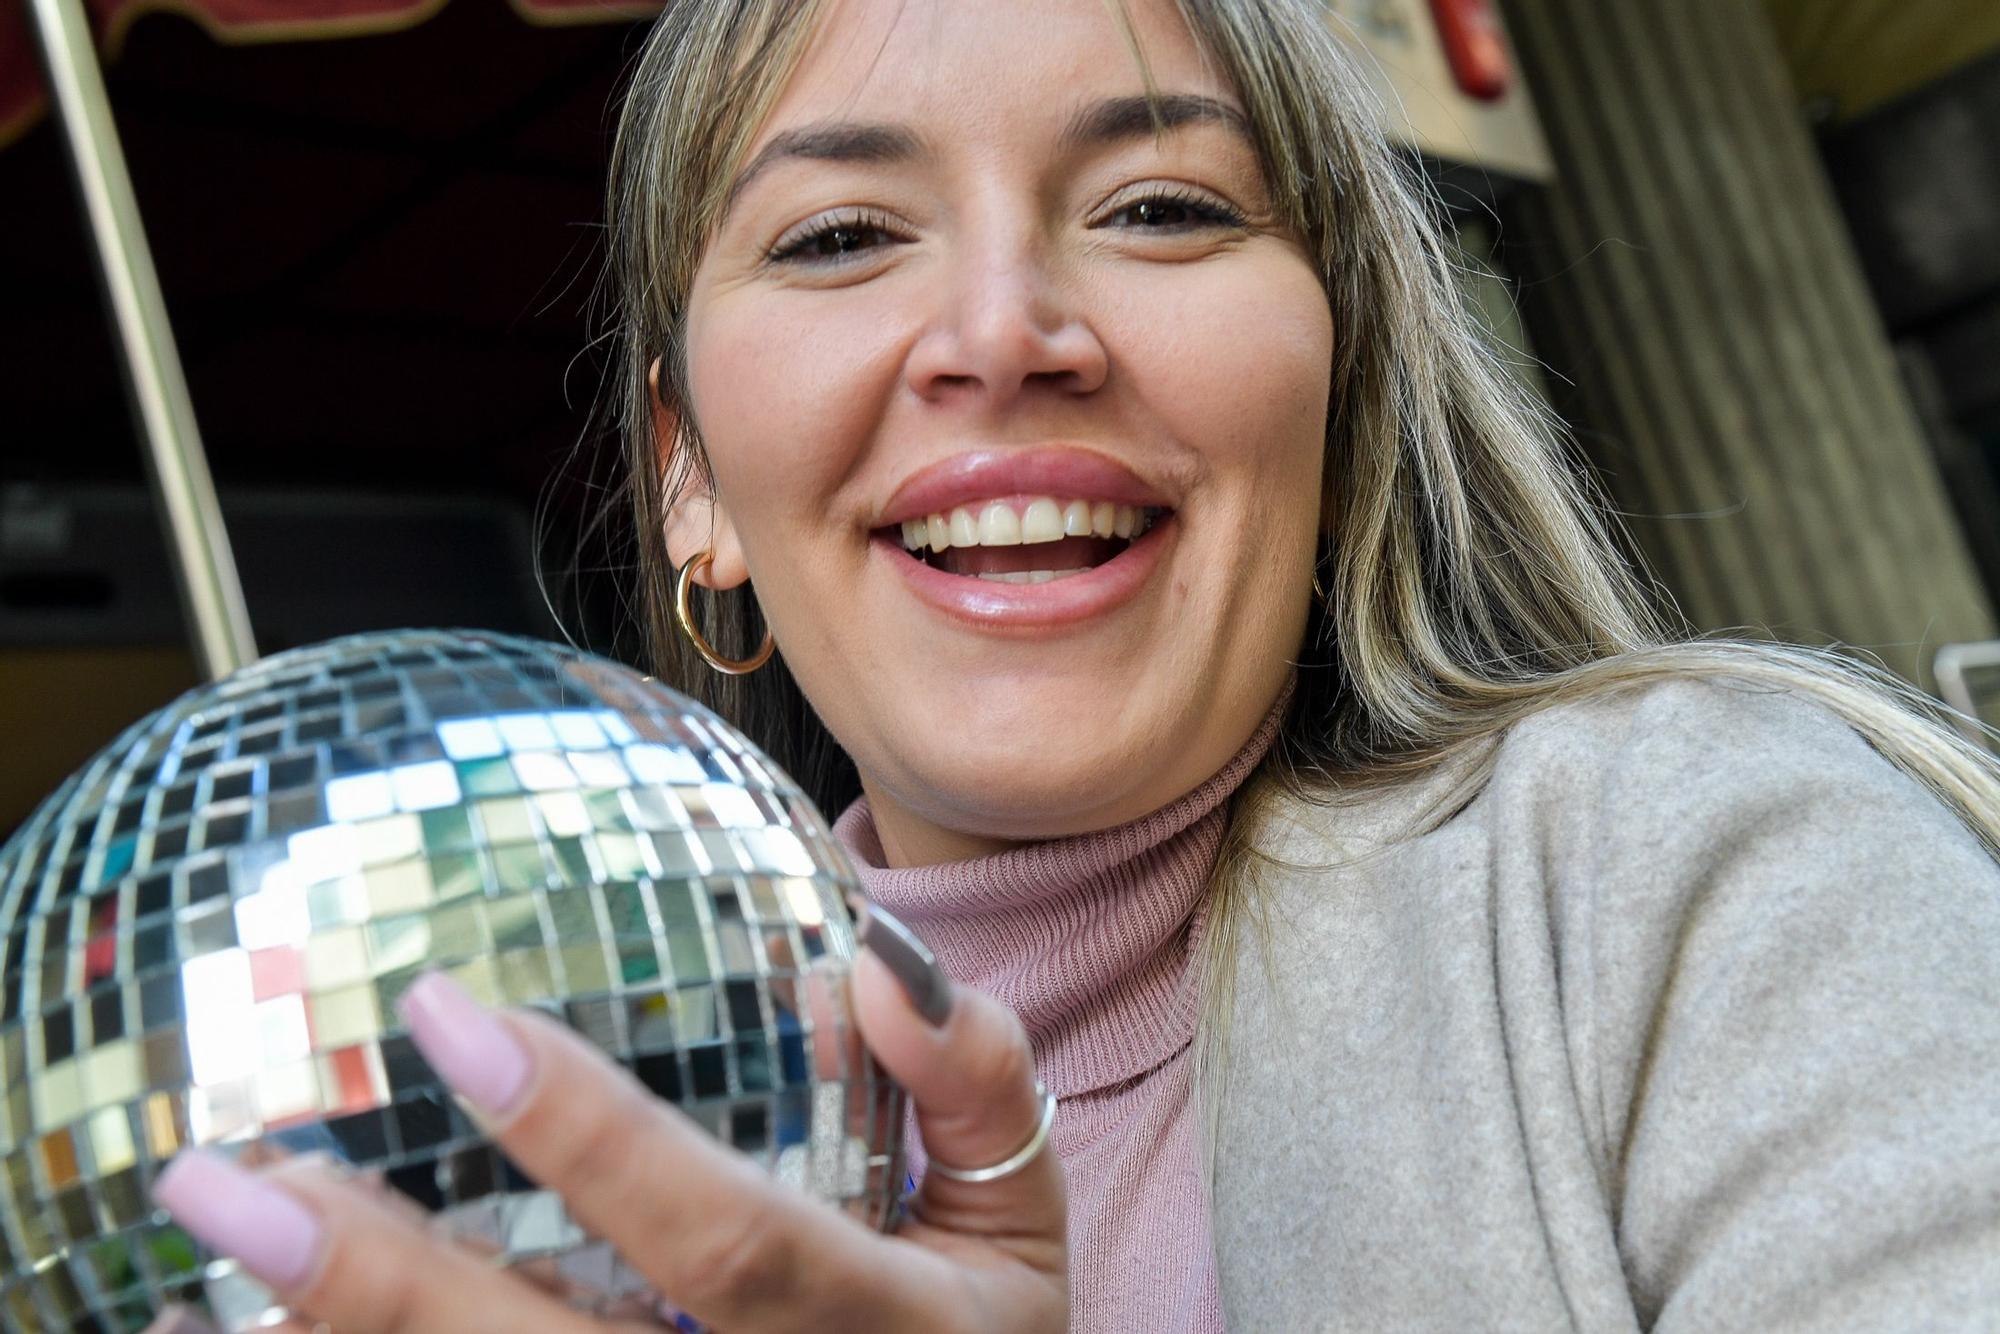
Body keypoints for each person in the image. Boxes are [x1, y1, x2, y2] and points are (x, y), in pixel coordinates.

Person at [146, 0, 2000, 1329]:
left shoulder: (1705, 869)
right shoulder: (515, 1159)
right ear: (688, 477)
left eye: (1161, 207)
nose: (1002, 332)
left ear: (1341, 384)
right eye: (844, 234)